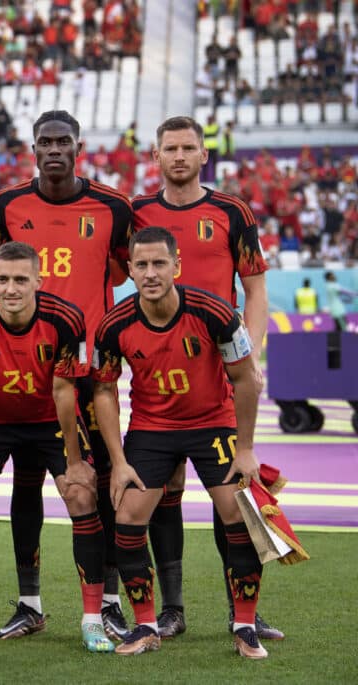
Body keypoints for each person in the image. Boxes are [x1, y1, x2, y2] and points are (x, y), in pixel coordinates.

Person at [131, 114, 277, 640]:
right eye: (169, 148)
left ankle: (245, 611)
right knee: (166, 486)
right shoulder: (139, 213)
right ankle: (172, 608)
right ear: (156, 156)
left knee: (231, 492)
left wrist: (252, 352)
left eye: (188, 148)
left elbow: (255, 287)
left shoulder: (231, 211)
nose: (179, 156)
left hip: (220, 370)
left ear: (203, 155)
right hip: (163, 372)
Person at [93, 226, 269, 659]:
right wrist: (118, 461)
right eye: (142, 265)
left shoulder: (216, 312)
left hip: (214, 423)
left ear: (177, 265)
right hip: (152, 428)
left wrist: (244, 449)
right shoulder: (113, 326)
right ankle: (146, 626)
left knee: (238, 515)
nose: (151, 273)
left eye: (159, 263)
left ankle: (245, 626)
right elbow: (103, 391)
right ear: (129, 270)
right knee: (129, 517)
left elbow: (246, 380)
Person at [0, 110, 132, 641]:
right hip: (24, 371)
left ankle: (110, 602)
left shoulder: (114, 206)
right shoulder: (7, 205)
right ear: (32, 149)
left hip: (92, 374)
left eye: (62, 141)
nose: (53, 149)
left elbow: (125, 269)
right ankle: (29, 603)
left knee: (96, 488)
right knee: (25, 487)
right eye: (44, 141)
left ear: (79, 147)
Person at [0, 241, 112, 654]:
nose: (11, 288)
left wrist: (74, 461)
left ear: (39, 279)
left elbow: (64, 390)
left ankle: (92, 622)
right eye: (2, 279)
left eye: (20, 279)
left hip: (49, 418)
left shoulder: (66, 318)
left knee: (81, 492)